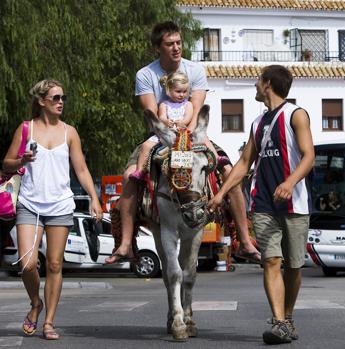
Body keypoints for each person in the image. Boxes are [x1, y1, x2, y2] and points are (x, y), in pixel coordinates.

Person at [105, 21, 260, 264]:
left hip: (193, 133)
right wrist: (169, 133)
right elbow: (151, 113)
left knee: (230, 172)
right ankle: (125, 243)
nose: (176, 48)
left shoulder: (195, 70)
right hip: (160, 135)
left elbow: (195, 109)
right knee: (128, 177)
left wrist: (186, 136)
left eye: (178, 42)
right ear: (158, 48)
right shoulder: (145, 75)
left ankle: (243, 239)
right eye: (170, 44)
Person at [208, 65, 315, 344]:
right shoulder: (258, 123)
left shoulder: (296, 115)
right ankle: (279, 321)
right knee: (271, 261)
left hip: (295, 205)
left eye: (258, 81)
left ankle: (288, 317)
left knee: (293, 266)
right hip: (263, 203)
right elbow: (244, 164)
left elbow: (308, 155)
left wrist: (290, 183)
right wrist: (221, 194)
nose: (255, 85)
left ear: (267, 84)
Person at [3, 79, 103, 340]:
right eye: (56, 97)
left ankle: (48, 321)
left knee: (55, 264)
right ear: (41, 101)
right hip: (29, 202)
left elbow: (80, 169)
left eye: (63, 98)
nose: (61, 102)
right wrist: (21, 160)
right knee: (27, 263)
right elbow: (6, 164)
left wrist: (94, 197)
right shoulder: (26, 129)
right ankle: (36, 303)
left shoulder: (70, 132)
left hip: (60, 204)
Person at [129, 71, 193, 182]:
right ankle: (139, 171)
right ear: (169, 90)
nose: (182, 94)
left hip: (182, 135)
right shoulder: (164, 104)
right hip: (164, 134)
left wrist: (182, 122)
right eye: (178, 91)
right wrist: (166, 121)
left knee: (200, 147)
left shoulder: (188, 104)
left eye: (184, 91)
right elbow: (161, 117)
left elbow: (188, 117)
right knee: (146, 146)